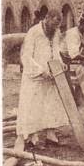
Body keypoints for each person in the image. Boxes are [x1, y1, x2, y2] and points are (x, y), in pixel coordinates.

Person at [17, 9, 69, 147]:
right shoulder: (34, 32)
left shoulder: (55, 33)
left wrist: (60, 64)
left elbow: (56, 51)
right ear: (47, 18)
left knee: (50, 105)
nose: (55, 28)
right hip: (34, 76)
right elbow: (26, 56)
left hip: (50, 75)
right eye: (53, 24)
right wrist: (40, 71)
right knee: (33, 106)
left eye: (57, 26)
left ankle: (50, 135)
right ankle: (33, 138)